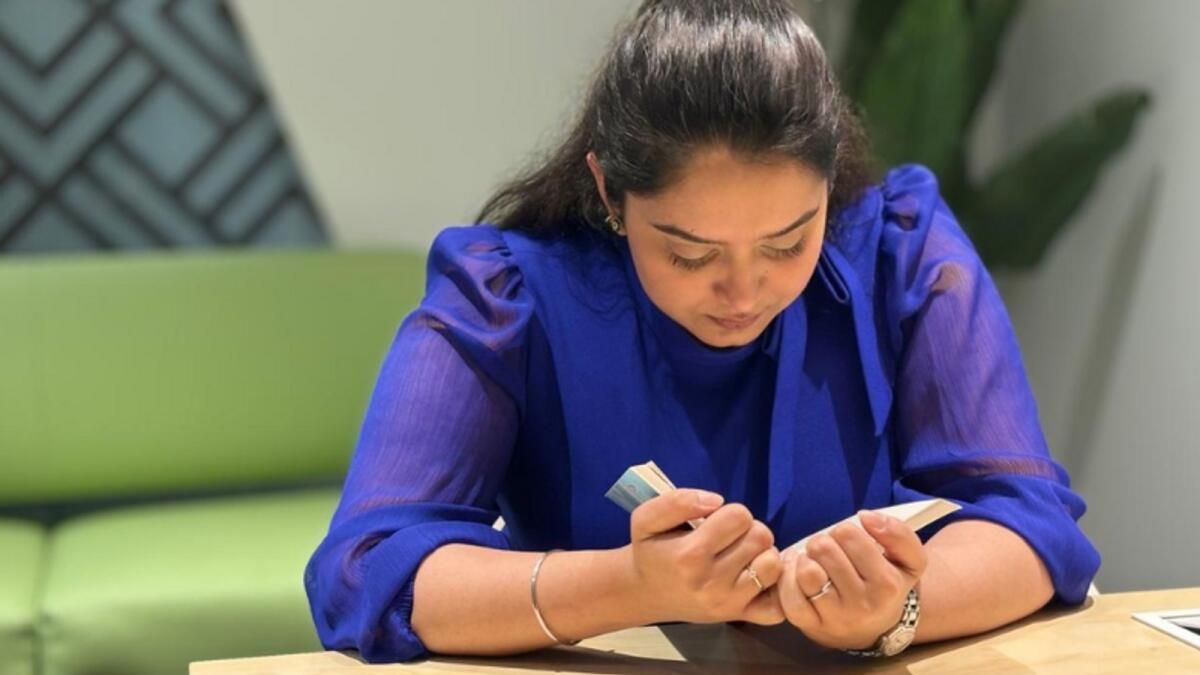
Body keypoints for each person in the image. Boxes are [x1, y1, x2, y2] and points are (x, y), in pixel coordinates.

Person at [304, 0, 1100, 663]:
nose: (744, 292)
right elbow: (364, 569)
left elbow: (1029, 523)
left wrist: (895, 609)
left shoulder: (901, 251)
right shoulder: (505, 295)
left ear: (829, 183)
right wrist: (628, 584)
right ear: (609, 192)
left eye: (789, 242)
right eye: (690, 253)